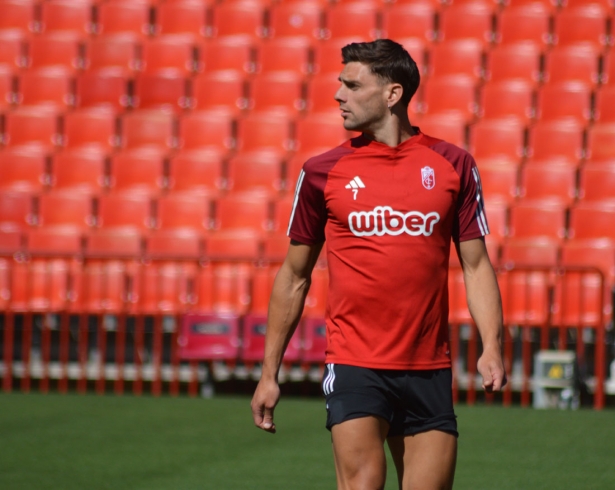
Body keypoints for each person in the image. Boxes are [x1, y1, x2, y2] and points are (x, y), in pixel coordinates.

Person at [251, 39, 506, 490]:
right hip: (354, 363)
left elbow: (476, 265)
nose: (338, 96)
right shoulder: (321, 172)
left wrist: (492, 345)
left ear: (393, 94)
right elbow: (294, 276)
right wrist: (270, 373)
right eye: (340, 84)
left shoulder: (453, 164)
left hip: (429, 366)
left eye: (352, 85)